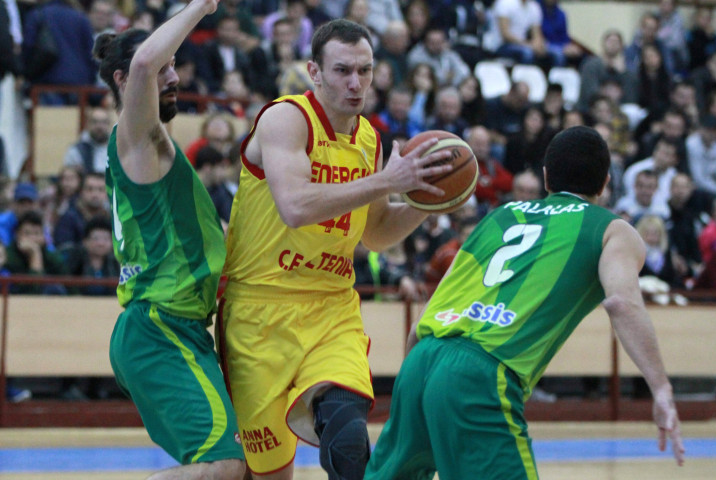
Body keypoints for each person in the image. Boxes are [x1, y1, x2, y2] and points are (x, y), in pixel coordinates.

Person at [365, 125, 685, 479]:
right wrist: (661, 389)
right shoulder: (612, 229)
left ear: (546, 178)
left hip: (422, 359)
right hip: (481, 372)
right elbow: (622, 303)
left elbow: (429, 312)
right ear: (605, 183)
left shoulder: (499, 216)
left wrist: (420, 385)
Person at [220, 18, 453, 480]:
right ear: (315, 72)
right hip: (258, 313)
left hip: (331, 308)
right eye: (343, 70)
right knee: (269, 475)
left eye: (364, 71)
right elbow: (295, 207)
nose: (356, 83)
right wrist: (386, 181)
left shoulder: (369, 140)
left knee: (348, 444)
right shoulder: (285, 119)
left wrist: (428, 200)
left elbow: (376, 234)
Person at [93, 0, 246, 477]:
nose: (174, 77)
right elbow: (144, 61)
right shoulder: (137, 136)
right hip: (161, 325)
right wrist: (202, 5)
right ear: (123, 80)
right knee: (224, 466)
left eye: (175, 65)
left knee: (238, 468)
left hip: (178, 326)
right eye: (165, 68)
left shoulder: (155, 147)